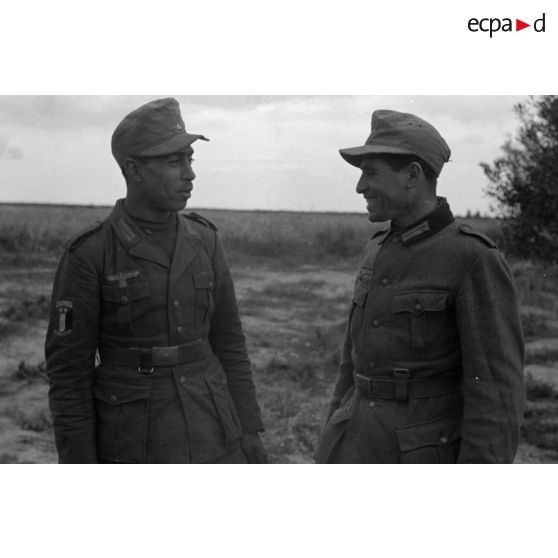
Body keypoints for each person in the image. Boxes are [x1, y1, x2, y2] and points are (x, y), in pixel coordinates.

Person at [45, 98, 266, 464]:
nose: (189, 174)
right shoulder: (90, 253)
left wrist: (249, 427)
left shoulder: (205, 240)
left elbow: (229, 342)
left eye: (190, 160)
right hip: (134, 441)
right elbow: (68, 376)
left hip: (213, 429)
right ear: (134, 170)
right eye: (174, 162)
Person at [315, 109, 525, 463]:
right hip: (356, 442)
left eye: (371, 173)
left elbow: (496, 394)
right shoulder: (376, 248)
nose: (360, 187)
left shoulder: (473, 257)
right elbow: (351, 367)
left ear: (413, 176)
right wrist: (332, 438)